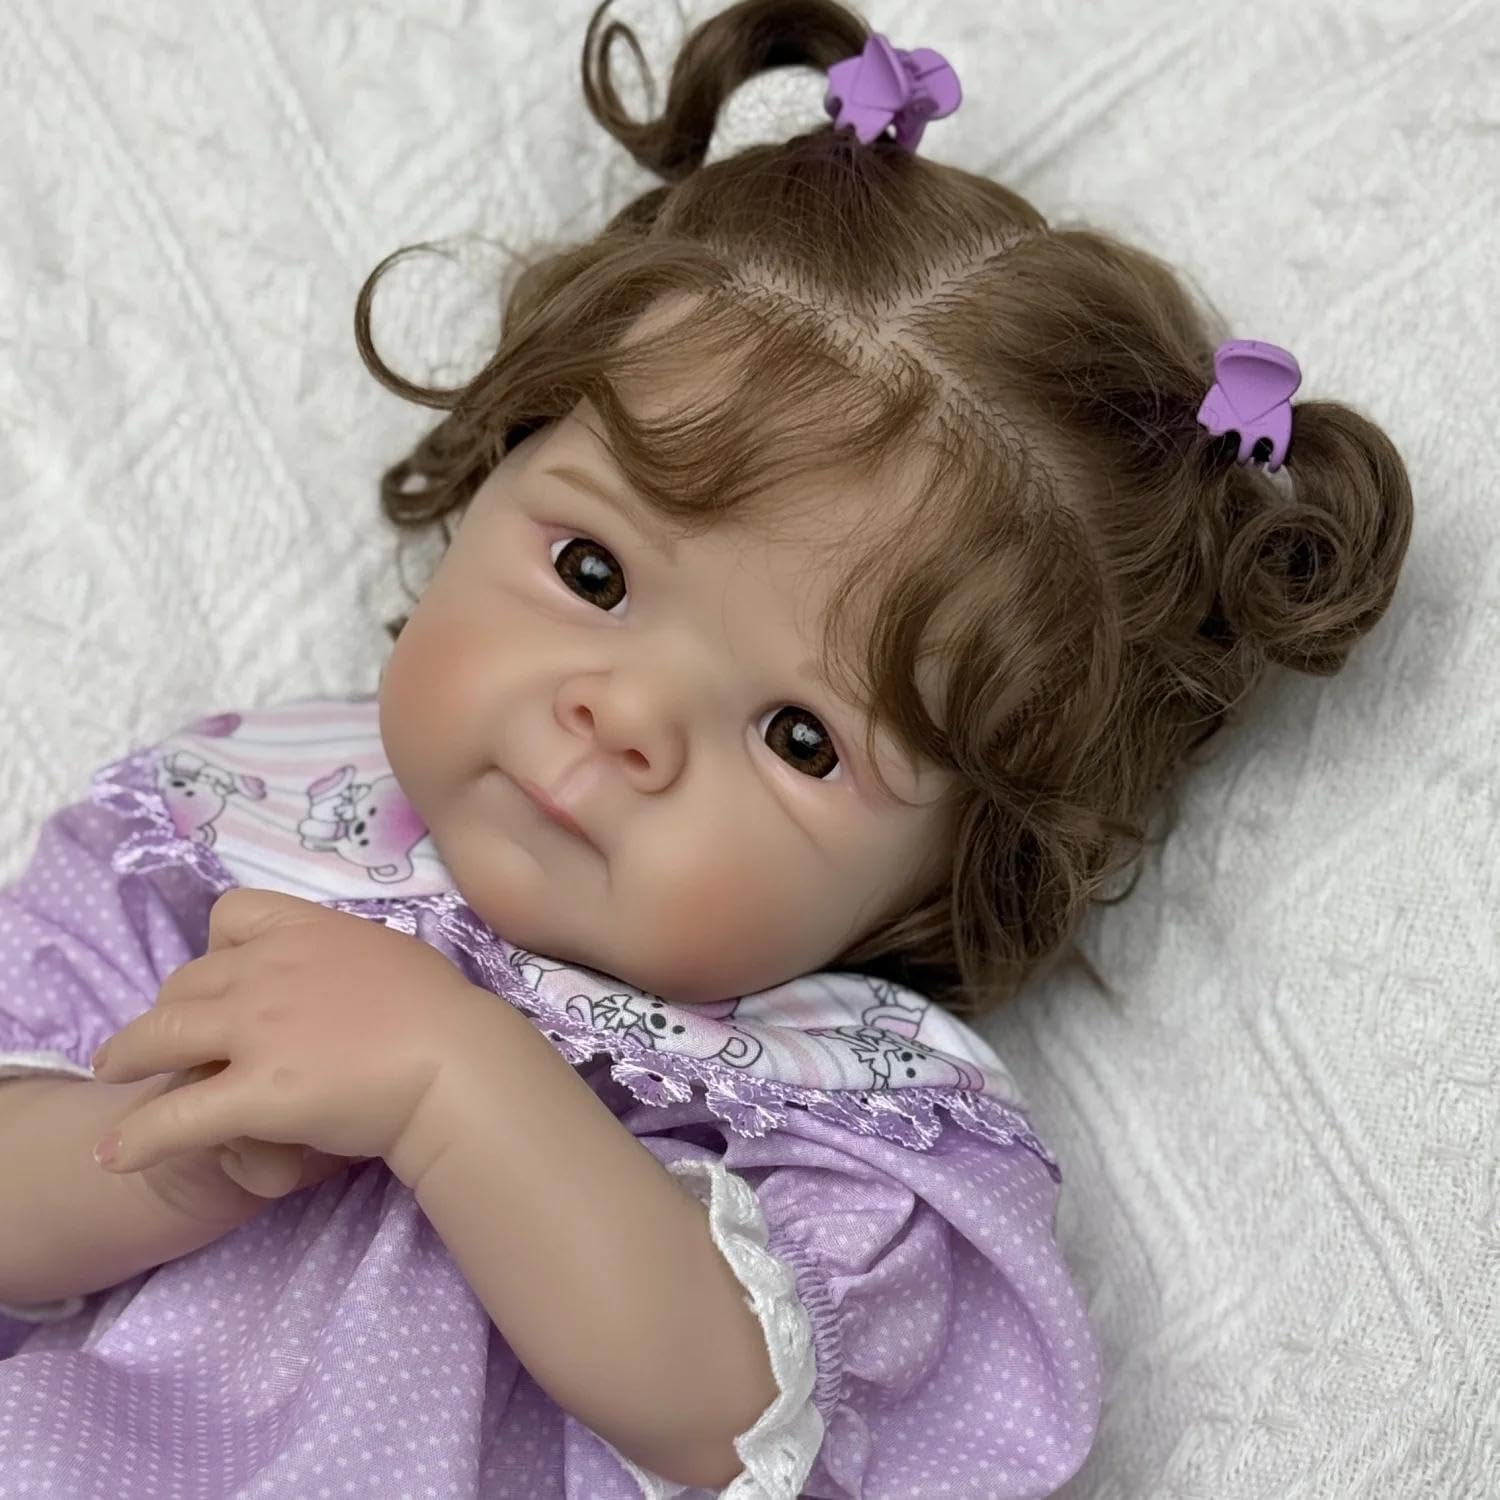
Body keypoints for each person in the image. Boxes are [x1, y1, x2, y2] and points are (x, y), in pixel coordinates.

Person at [0, 1, 1413, 1495]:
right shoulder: (232, 829)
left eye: (802, 736)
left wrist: (449, 1084)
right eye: (593, 572)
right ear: (498, 462)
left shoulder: (845, 1105)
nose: (625, 719)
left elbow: (728, 1417)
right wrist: (178, 1153)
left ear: (953, 874)